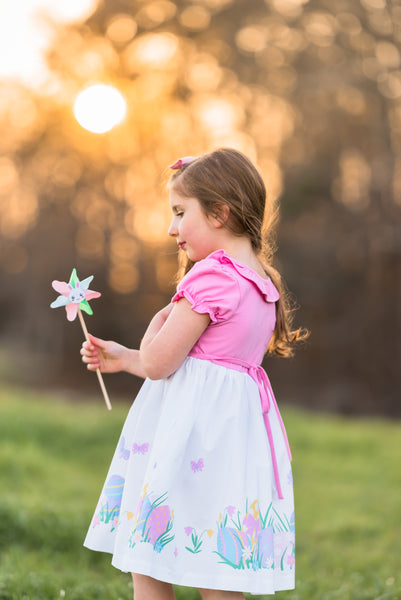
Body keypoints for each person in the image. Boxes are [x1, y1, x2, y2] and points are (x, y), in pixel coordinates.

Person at [81, 148, 307, 600]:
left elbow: (163, 362)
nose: (171, 228)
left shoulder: (210, 278)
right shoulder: (262, 282)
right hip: (231, 443)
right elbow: (198, 360)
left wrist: (157, 322)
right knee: (217, 567)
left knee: (149, 558)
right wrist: (125, 358)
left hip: (186, 439)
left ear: (220, 212)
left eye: (181, 213)